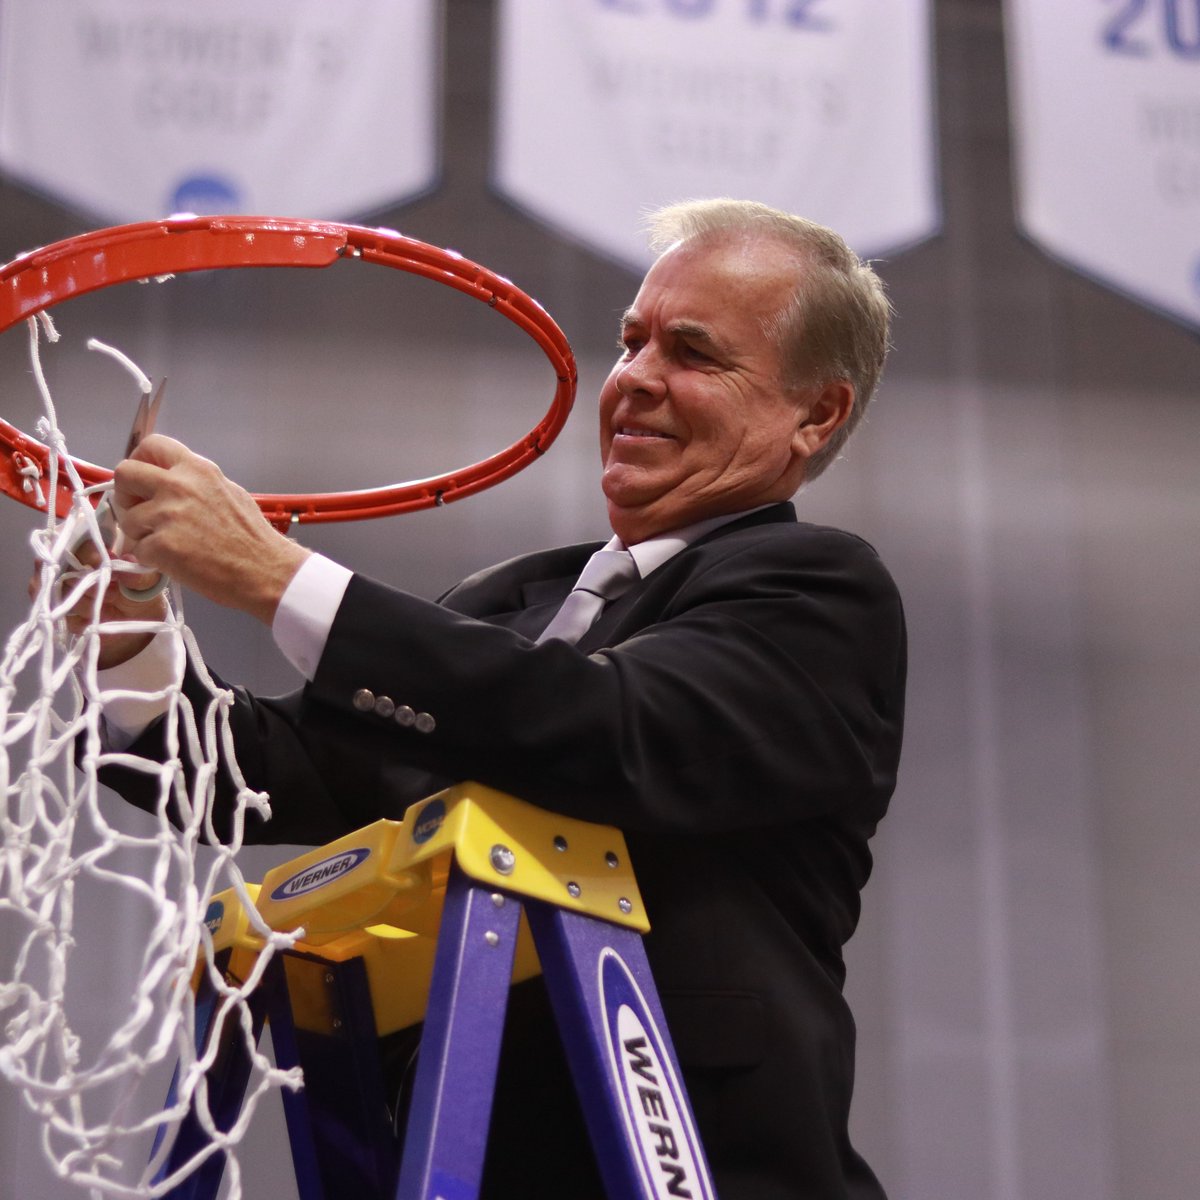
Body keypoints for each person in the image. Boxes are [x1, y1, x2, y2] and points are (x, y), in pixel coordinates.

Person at [88, 199, 906, 1199]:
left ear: (813, 415)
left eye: (693, 352)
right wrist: (127, 634)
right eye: (631, 341)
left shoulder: (816, 591)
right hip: (456, 1153)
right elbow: (266, 772)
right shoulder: (510, 602)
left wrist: (275, 576)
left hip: (696, 1161)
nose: (637, 378)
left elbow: (600, 729)